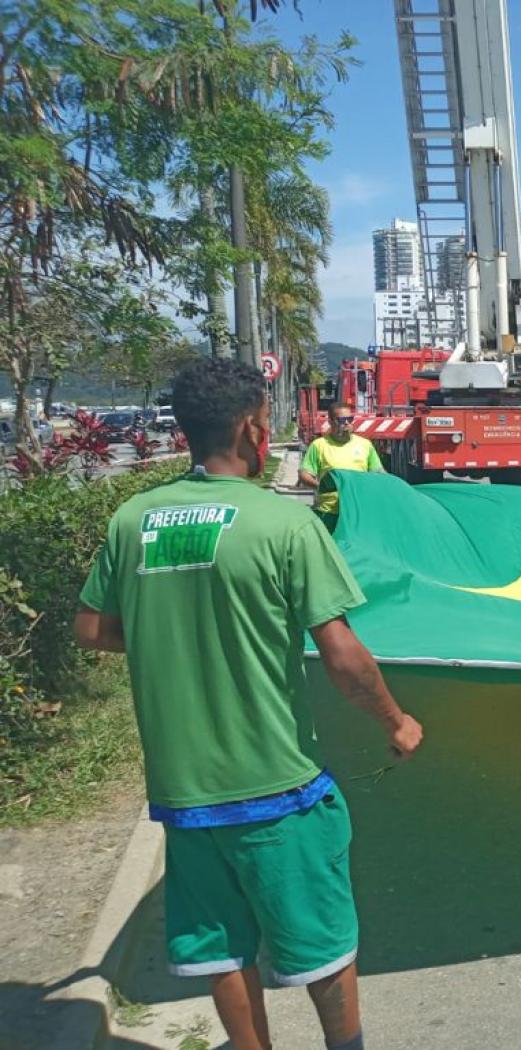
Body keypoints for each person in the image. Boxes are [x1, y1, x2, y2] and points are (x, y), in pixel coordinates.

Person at [75, 357, 423, 1050]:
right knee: (321, 942)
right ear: (250, 429)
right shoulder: (282, 525)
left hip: (184, 791)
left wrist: (174, 640)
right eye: (266, 421)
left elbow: (92, 630)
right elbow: (344, 657)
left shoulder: (133, 519)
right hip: (278, 786)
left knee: (220, 949)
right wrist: (397, 720)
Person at [299, 406, 384, 526]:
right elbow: (304, 474)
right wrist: (320, 486)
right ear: (330, 422)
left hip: (358, 512)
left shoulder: (365, 445)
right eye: (342, 420)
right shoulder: (319, 446)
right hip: (329, 512)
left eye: (350, 419)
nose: (347, 423)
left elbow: (378, 473)